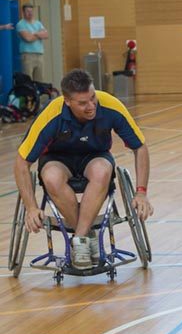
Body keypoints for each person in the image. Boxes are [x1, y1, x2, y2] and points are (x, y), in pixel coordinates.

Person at [13, 69, 153, 269]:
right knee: (51, 177)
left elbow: (140, 146)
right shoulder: (52, 114)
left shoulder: (110, 105)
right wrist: (31, 207)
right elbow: (21, 162)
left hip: (94, 156)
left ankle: (79, 239)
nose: (91, 106)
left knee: (102, 171)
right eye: (83, 103)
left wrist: (141, 192)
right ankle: (87, 237)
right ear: (67, 101)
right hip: (57, 159)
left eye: (92, 98)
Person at [16, 3, 48, 82]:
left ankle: (39, 94)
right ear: (23, 12)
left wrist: (34, 33)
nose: (30, 13)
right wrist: (39, 34)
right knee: (28, 80)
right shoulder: (20, 24)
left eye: (31, 11)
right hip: (28, 56)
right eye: (28, 11)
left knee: (40, 80)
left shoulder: (38, 23)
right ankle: (29, 95)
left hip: (39, 55)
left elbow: (46, 35)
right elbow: (28, 38)